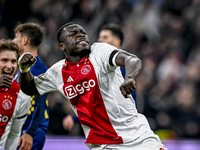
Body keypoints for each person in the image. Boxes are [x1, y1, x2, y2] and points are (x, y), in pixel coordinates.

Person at [18, 22, 168, 150]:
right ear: (62, 46)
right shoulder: (57, 72)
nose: (81, 35)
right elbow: (29, 88)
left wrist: (129, 78)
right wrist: (24, 70)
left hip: (138, 137)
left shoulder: (99, 51)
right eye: (73, 34)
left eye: (83, 32)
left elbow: (132, 60)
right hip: (103, 145)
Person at [62, 23, 137, 131]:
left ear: (117, 41)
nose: (100, 40)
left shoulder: (123, 67)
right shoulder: (98, 65)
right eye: (99, 37)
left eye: (105, 37)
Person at [12, 22, 50, 150]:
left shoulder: (38, 69)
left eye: (16, 36)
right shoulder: (24, 68)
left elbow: (40, 104)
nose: (13, 40)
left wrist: (30, 133)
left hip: (30, 133)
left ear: (24, 40)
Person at [0, 39, 31, 150]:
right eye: (4, 60)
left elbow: (13, 135)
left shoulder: (22, 97)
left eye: (13, 61)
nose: (9, 66)